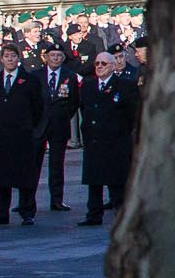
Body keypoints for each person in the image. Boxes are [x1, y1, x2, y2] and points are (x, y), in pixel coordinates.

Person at [0, 39, 46, 227]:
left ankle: (27, 212)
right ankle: (1, 213)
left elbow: (37, 108)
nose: (10, 59)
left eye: (13, 56)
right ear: (1, 59)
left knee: (25, 176)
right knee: (2, 177)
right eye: (6, 56)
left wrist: (30, 128)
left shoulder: (30, 80)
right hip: (2, 135)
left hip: (23, 134)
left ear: (19, 58)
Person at [77, 51, 136, 227]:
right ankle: (94, 214)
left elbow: (132, 113)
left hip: (115, 140)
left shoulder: (125, 85)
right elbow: (84, 108)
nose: (100, 67)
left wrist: (121, 131)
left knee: (116, 181)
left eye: (104, 64)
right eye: (97, 64)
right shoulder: (88, 86)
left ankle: (122, 214)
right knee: (94, 181)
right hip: (94, 139)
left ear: (112, 66)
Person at [32, 40, 78, 213]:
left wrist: (63, 116)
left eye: (59, 55)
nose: (56, 58)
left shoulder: (69, 76)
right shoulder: (35, 76)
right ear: (46, 57)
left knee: (57, 165)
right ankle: (29, 201)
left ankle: (57, 200)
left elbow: (73, 102)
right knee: (33, 165)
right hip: (39, 125)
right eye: (52, 55)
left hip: (59, 125)